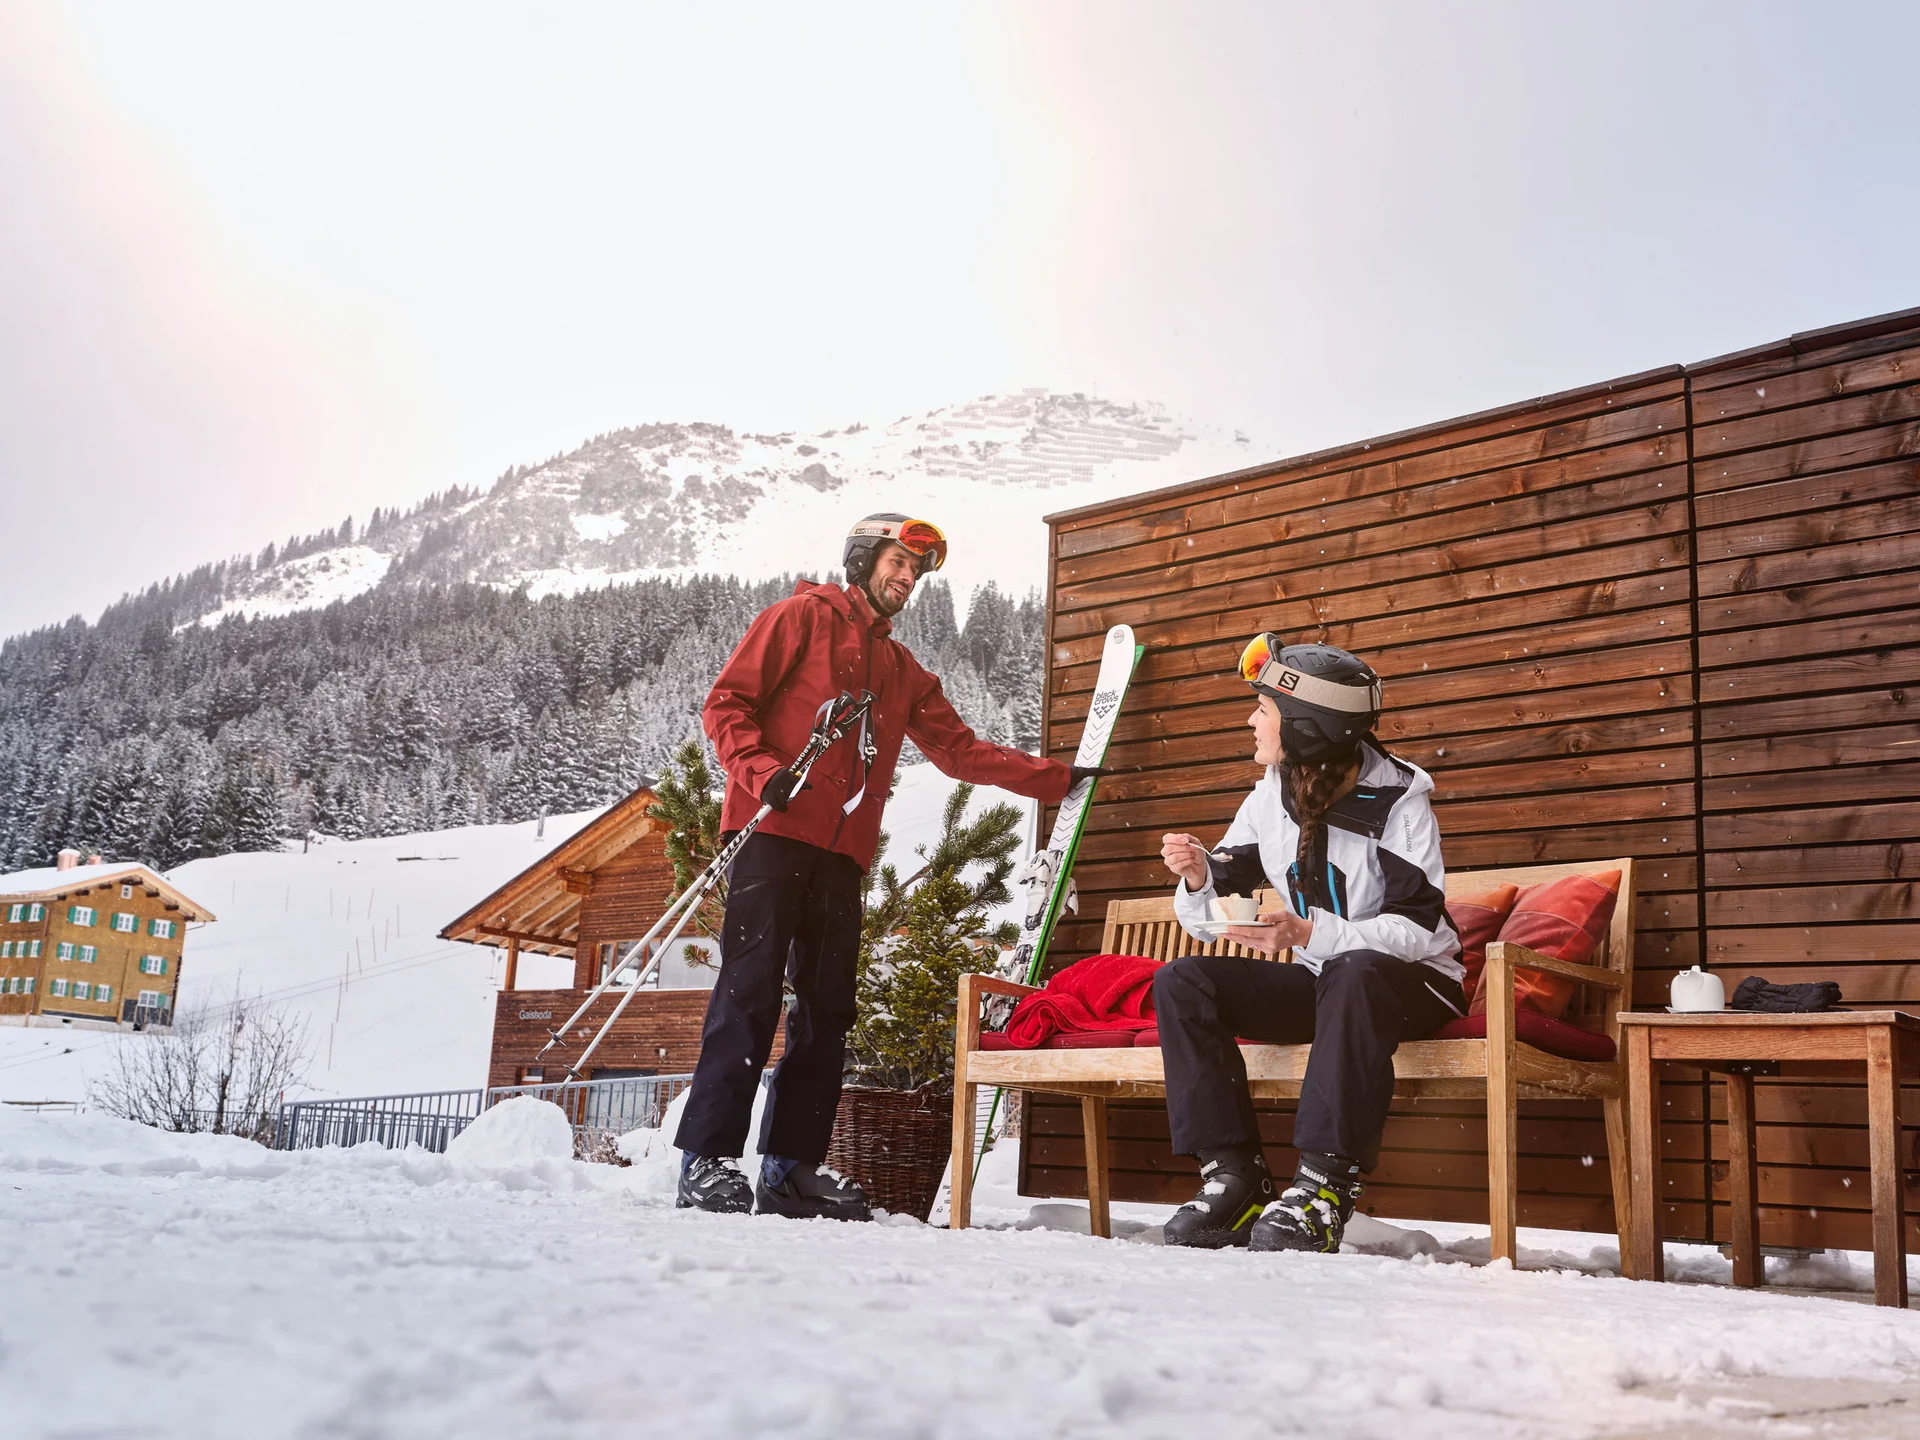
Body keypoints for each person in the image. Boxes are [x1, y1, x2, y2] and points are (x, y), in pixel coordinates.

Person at [675, 513, 1097, 1220]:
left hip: (841, 856)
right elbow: (726, 703)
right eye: (898, 562)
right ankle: (707, 1160)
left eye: (916, 571)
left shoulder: (901, 672)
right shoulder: (800, 618)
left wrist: (1059, 780)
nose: (906, 578)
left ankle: (790, 1169)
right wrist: (761, 771)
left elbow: (961, 751)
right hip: (772, 832)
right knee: (750, 993)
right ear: (865, 558)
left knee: (827, 1011)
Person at [1153, 634, 1465, 1253]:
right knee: (1184, 982)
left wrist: (1312, 932)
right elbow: (1229, 878)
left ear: (1306, 725)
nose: (1251, 720)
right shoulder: (1273, 790)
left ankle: (1324, 1186)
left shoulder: (1399, 799)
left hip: (1415, 984)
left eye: (1263, 709)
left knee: (1353, 971)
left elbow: (1419, 927)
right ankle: (1234, 1177)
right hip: (1327, 979)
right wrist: (1198, 875)